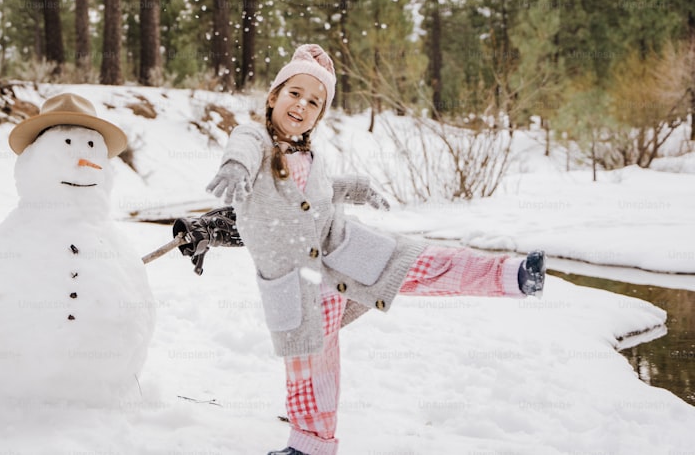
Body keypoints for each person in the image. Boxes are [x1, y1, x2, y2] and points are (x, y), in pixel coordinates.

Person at [188, 44, 545, 455]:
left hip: (348, 251)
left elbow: (317, 195)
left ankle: (513, 274)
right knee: (310, 367)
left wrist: (354, 187)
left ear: (320, 115)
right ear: (273, 97)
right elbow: (244, 150)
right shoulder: (254, 140)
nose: (301, 105)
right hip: (299, 286)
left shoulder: (309, 154)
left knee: (422, 263)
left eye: (314, 102)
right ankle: (310, 446)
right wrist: (233, 167)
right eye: (294, 93)